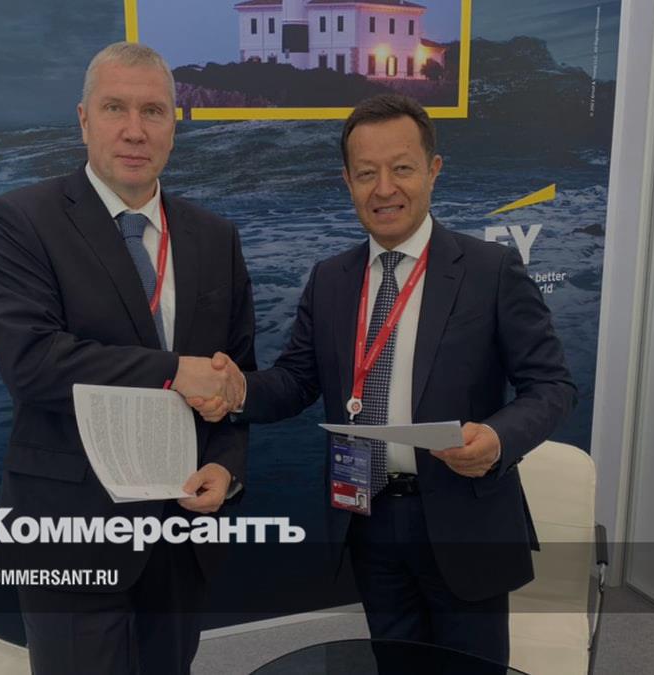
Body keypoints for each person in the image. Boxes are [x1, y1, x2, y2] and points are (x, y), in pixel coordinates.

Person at [190, 93, 576, 665]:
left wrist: (498, 439)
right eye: (367, 173)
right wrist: (238, 390)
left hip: (463, 517)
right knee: (395, 663)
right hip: (368, 517)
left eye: (402, 168)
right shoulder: (331, 279)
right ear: (347, 181)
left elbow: (552, 386)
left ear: (433, 170)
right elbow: (297, 380)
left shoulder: (490, 271)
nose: (384, 188)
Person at [0, 42, 254, 675]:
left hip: (180, 531)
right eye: (115, 108)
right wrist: (173, 371)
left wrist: (226, 467)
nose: (135, 130)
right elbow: (33, 363)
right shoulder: (20, 220)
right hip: (70, 533)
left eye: (153, 111)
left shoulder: (215, 237)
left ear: (173, 125)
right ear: (83, 120)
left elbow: (236, 378)